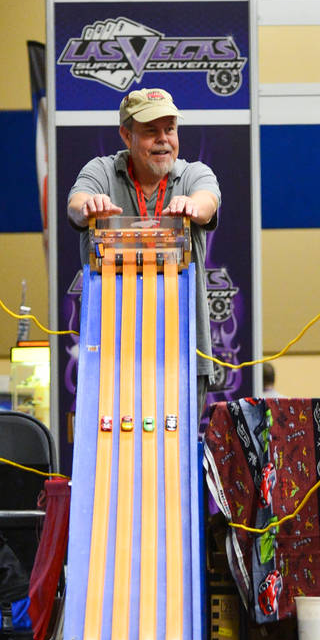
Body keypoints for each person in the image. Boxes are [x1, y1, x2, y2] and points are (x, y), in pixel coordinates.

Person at [67, 87, 221, 424]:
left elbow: (208, 201)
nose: (164, 140)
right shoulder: (102, 171)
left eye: (170, 129)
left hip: (181, 356)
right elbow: (76, 204)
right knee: (112, 464)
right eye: (151, 131)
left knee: (175, 465)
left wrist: (194, 206)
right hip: (110, 357)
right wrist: (88, 207)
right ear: (126, 134)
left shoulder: (194, 173)